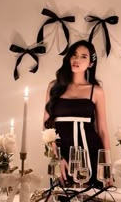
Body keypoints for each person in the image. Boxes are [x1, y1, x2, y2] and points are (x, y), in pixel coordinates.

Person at [43, 40, 110, 188]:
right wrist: (57, 158)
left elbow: (103, 131)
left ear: (90, 64)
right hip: (63, 156)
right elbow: (46, 128)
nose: (77, 60)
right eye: (74, 55)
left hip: (91, 154)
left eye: (83, 56)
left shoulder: (96, 90)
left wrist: (106, 166)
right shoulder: (54, 87)